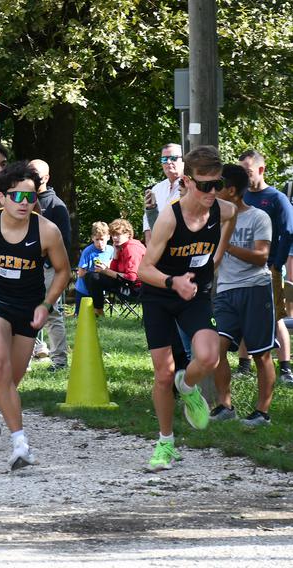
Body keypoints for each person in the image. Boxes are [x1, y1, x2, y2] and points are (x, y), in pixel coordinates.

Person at [0, 161, 70, 470]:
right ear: (3, 197)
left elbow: (63, 272)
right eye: (17, 196)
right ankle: (20, 445)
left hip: (27, 308)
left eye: (30, 198)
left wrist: (46, 305)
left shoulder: (47, 231)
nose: (24, 203)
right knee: (1, 367)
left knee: (11, 380)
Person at [138, 145, 236, 472]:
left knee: (209, 356)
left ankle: (188, 384)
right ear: (188, 182)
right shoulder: (170, 217)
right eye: (204, 185)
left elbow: (224, 235)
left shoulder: (224, 211)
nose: (212, 192)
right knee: (163, 373)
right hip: (159, 294)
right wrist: (172, 282)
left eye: (217, 184)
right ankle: (166, 443)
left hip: (194, 292)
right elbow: (144, 269)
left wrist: (213, 263)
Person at [211, 164, 277, 425]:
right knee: (217, 349)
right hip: (226, 289)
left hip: (255, 289)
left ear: (231, 190)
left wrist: (226, 244)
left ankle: (262, 412)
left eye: (217, 185)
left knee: (261, 354)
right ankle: (224, 406)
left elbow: (261, 257)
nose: (212, 190)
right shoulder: (213, 218)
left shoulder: (258, 217)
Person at [239, 150, 293, 384]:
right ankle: (243, 366)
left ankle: (285, 368)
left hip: (268, 268)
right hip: (242, 268)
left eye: (247, 171)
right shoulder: (240, 196)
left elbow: (289, 232)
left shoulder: (276, 198)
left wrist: (276, 263)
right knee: (243, 315)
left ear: (261, 170)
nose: (244, 175)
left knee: (275, 318)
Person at [30, 159, 71, 370]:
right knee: (25, 310)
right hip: (27, 266)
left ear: (46, 178)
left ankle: (59, 360)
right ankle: (26, 355)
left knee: (52, 312)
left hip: (48, 269)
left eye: (35, 174)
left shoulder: (56, 206)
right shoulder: (23, 201)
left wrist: (48, 263)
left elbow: (64, 242)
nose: (31, 177)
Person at [84, 219, 146, 316]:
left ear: (128, 235)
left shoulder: (132, 248)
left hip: (135, 290)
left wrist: (105, 271)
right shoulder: (121, 247)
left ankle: (98, 312)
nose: (115, 238)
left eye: (118, 234)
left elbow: (131, 278)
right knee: (91, 276)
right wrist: (116, 256)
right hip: (125, 284)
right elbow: (114, 271)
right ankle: (97, 310)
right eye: (113, 235)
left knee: (93, 277)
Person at [143, 144, 183, 243]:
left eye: (173, 158)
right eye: (164, 159)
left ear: (183, 160)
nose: (168, 162)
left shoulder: (191, 186)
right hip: (158, 249)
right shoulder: (157, 189)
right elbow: (147, 222)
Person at [74, 222, 115, 314]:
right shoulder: (88, 251)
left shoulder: (111, 250)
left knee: (96, 317)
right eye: (97, 239)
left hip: (99, 289)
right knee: (81, 316)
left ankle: (100, 313)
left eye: (102, 239)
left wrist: (105, 268)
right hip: (83, 290)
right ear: (92, 238)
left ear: (108, 237)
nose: (99, 243)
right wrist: (94, 271)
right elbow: (80, 274)